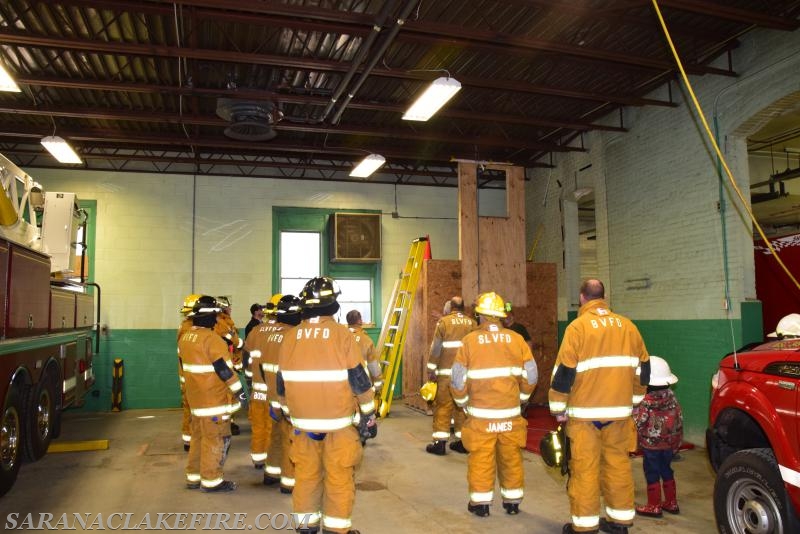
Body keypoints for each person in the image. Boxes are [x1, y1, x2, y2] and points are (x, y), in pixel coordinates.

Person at [549, 279, 650, 534]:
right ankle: (620, 522)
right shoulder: (628, 327)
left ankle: (585, 526)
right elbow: (644, 370)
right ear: (603, 296)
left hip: (585, 417)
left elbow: (564, 374)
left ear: (583, 298)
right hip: (619, 414)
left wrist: (558, 410)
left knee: (585, 469)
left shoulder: (577, 328)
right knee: (618, 466)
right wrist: (635, 403)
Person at [277, 276, 377, 534]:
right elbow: (359, 381)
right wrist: (369, 415)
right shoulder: (342, 335)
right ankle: (336, 529)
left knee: (306, 478)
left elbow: (281, 384)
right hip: (338, 427)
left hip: (302, 426)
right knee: (339, 479)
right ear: (333, 304)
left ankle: (307, 527)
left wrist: (288, 413)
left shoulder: (290, 338)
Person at [450, 291, 537, 518]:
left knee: (481, 457)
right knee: (511, 457)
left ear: (480, 315)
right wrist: (522, 398)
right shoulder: (517, 339)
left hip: (481, 415)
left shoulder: (470, 341)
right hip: (510, 414)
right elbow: (532, 374)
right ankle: (512, 502)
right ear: (499, 315)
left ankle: (481, 505)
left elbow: (458, 378)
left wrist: (463, 403)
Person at [179, 295, 245, 492]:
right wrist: (239, 391)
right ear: (209, 317)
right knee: (214, 439)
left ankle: (193, 476)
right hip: (213, 401)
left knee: (198, 438)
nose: (217, 319)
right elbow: (224, 370)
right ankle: (212, 480)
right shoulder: (211, 339)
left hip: (196, 400)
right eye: (216, 316)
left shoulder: (186, 337)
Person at [425, 296, 476, 455]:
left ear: (451, 307)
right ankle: (462, 443)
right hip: (466, 376)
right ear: (463, 308)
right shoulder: (472, 324)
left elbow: (436, 349)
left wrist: (431, 369)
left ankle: (440, 444)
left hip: (446, 375)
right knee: (462, 408)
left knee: (443, 407)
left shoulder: (444, 323)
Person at [634, 356, 683, 518]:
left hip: (651, 446)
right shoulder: (672, 398)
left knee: (652, 472)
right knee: (667, 470)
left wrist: (633, 415)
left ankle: (654, 506)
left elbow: (640, 423)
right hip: (668, 444)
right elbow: (679, 419)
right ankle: (671, 502)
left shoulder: (646, 402)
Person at [263, 294, 302, 494]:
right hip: (285, 396)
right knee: (290, 439)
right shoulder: (292, 336)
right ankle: (289, 481)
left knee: (276, 435)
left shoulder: (270, 335)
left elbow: (262, 367)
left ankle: (271, 472)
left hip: (272, 395)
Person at [242, 297, 281, 473]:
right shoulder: (287, 332)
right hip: (275, 393)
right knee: (275, 429)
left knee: (259, 425)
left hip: (257, 390)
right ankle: (273, 463)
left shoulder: (255, 331)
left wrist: (251, 380)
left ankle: (258, 458)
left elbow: (247, 359)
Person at [215, 296, 244, 435]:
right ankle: (227, 425)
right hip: (225, 365)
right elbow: (233, 342)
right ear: (223, 308)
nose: (230, 308)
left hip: (229, 362)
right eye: (228, 306)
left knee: (230, 397)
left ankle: (230, 422)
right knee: (227, 395)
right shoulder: (221, 324)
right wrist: (242, 343)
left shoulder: (226, 322)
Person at [178, 293, 201, 452]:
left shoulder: (185, 327)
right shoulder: (190, 329)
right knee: (193, 409)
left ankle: (188, 439)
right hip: (192, 377)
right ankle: (190, 439)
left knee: (189, 409)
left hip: (186, 376)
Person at [346, 310, 384, 395]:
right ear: (359, 321)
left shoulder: (340, 337)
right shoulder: (366, 340)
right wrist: (378, 384)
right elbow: (374, 367)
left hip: (342, 386)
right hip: (362, 386)